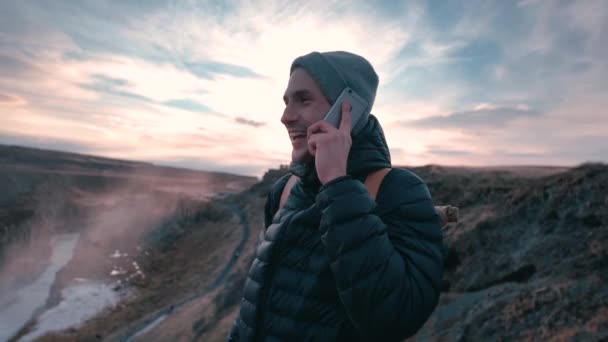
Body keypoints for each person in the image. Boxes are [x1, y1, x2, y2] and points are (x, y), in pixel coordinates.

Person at [227, 51, 445, 341]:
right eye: (286, 102)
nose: (285, 117)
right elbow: (255, 308)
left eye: (303, 100)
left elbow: (399, 315)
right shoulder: (286, 188)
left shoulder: (399, 190)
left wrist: (337, 183)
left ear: (350, 108)